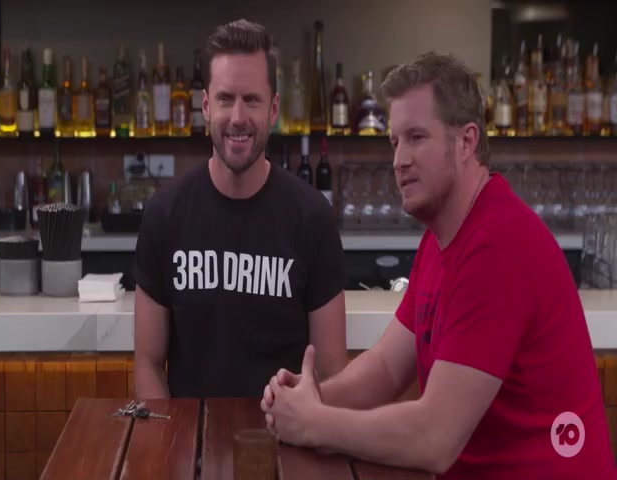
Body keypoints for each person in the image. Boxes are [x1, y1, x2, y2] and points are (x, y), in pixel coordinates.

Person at [261, 51, 617, 479]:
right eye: (394, 142)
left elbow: (434, 438)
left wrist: (315, 424)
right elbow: (386, 368)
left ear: (466, 142)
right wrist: (311, 398)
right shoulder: (441, 238)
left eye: (416, 138)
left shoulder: (497, 248)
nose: (399, 160)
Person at [132, 19, 347, 399]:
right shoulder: (164, 214)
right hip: (189, 434)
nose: (237, 117)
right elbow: (147, 364)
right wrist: (169, 436)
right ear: (205, 106)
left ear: (273, 109)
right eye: (225, 99)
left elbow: (331, 374)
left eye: (251, 99)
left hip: (285, 432)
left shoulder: (312, 217)